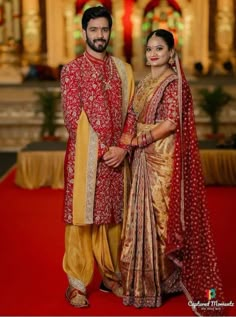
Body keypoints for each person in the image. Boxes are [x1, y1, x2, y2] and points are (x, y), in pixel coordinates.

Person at [120, 29, 225, 316]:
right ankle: (143, 281)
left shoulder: (174, 83)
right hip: (140, 156)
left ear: (171, 53)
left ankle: (164, 279)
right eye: (149, 48)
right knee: (138, 216)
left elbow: (170, 123)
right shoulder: (144, 82)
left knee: (159, 215)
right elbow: (132, 115)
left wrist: (138, 141)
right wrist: (125, 142)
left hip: (161, 157)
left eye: (159, 49)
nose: (153, 54)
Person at [60, 6, 136, 308]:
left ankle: (110, 275)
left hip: (118, 158)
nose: (99, 35)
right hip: (85, 159)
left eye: (104, 29)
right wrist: (103, 151)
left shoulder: (122, 69)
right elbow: (71, 117)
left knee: (113, 218)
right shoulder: (72, 70)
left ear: (110, 31)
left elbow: (132, 111)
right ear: (84, 33)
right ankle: (76, 284)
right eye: (94, 30)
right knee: (81, 220)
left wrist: (123, 148)